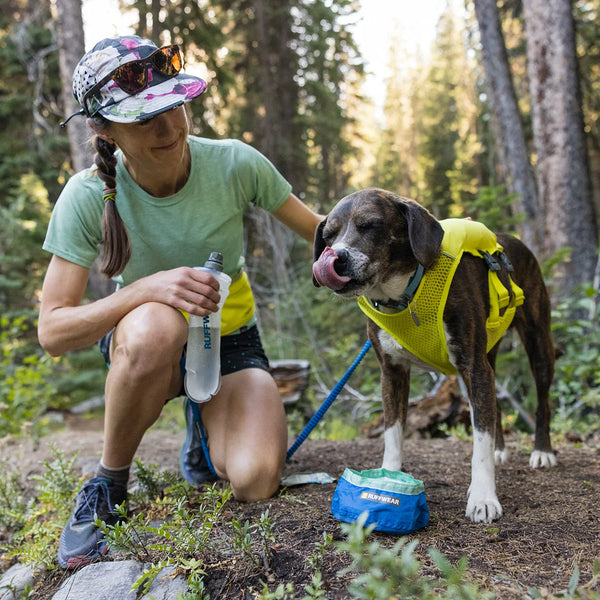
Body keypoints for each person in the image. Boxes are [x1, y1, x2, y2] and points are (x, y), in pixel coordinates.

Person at [38, 35, 322, 569]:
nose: (169, 128)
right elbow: (52, 331)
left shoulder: (235, 164)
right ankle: (109, 484)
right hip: (149, 350)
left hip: (231, 341)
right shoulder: (86, 196)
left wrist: (395, 246)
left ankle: (203, 428)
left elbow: (323, 235)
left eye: (174, 106)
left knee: (257, 479)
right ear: (104, 128)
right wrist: (147, 288)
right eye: (145, 119)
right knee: (154, 326)